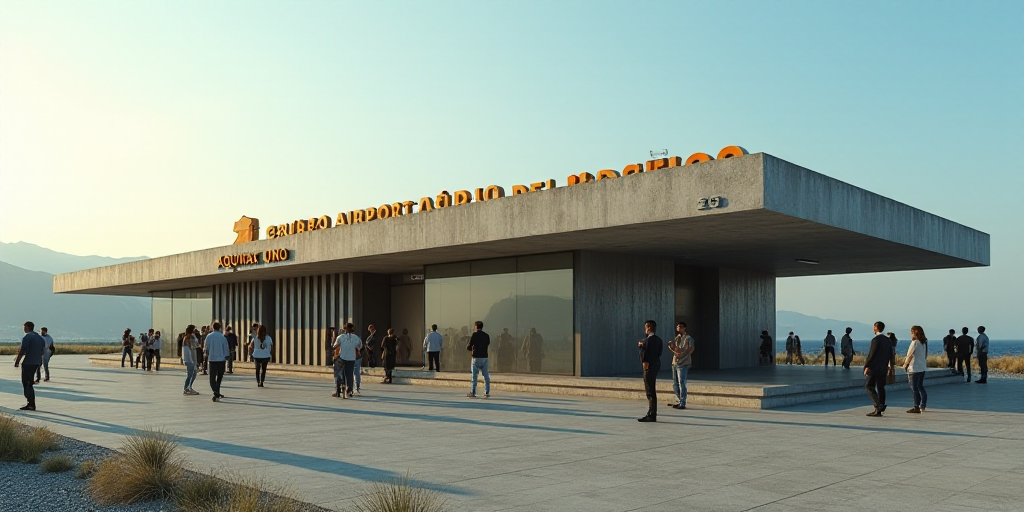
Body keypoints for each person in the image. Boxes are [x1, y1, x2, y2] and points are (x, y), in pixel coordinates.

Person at [864, 321, 894, 417]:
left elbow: (871, 354)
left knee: (869, 386)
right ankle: (881, 406)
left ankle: (878, 406)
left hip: (875, 367)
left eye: (874, 327)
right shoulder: (887, 340)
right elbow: (891, 354)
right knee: (881, 387)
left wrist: (867, 366)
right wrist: (890, 366)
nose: (873, 329)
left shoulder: (876, 340)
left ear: (876, 328)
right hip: (883, 367)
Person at [14, 321, 45, 411]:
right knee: (29, 382)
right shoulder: (40, 338)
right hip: (36, 362)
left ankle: (30, 404)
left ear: (27, 327)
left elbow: (22, 350)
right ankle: (31, 403)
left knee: (26, 383)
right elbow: (41, 351)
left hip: (28, 363)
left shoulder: (27, 337)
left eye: (24, 327)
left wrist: (17, 361)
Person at [638, 320, 663, 422]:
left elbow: (644, 355)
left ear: (648, 327)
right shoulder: (659, 340)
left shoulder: (647, 341)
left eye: (646, 327)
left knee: (650, 390)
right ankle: (651, 412)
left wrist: (640, 347)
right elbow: (659, 353)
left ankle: (652, 414)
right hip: (656, 365)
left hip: (649, 366)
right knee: (651, 389)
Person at [668, 322, 694, 410]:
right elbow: (676, 350)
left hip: (683, 363)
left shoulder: (688, 338)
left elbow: (690, 349)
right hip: (675, 362)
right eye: (678, 326)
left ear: (684, 328)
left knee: (681, 382)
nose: (679, 328)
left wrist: (682, 355)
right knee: (675, 384)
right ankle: (680, 400)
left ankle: (683, 402)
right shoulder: (677, 338)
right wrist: (672, 347)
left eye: (681, 326)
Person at [902, 326, 928, 413]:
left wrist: (905, 364)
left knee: (914, 388)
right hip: (922, 367)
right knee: (920, 386)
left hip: (914, 368)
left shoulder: (915, 342)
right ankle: (922, 404)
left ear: (914, 333)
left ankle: (916, 406)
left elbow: (909, 355)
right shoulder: (924, 343)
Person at [333, 324, 362, 398]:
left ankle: (338, 390)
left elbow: (335, 346)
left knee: (339, 374)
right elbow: (360, 346)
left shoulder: (341, 337)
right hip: (351, 358)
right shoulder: (356, 338)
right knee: (349, 375)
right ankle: (349, 391)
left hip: (342, 357)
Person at [205, 322, 230, 401]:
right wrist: (227, 356)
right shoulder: (222, 337)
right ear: (220, 327)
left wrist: (207, 353)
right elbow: (226, 348)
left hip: (212, 359)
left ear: (213, 327)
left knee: (212, 378)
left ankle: (215, 391)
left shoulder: (209, 336)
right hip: (221, 359)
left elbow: (206, 347)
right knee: (219, 377)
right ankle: (217, 391)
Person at [466, 321, 491, 398]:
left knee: (474, 376)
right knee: (486, 375)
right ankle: (486, 391)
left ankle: (473, 392)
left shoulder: (474, 334)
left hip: (476, 357)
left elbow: (469, 346)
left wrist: (472, 348)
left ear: (476, 326)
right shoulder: (486, 335)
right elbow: (487, 344)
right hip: (484, 357)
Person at [181, 325, 200, 395]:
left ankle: (189, 387)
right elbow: (194, 345)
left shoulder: (190, 336)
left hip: (191, 358)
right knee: (190, 374)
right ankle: (186, 388)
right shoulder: (189, 337)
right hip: (190, 358)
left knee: (194, 373)